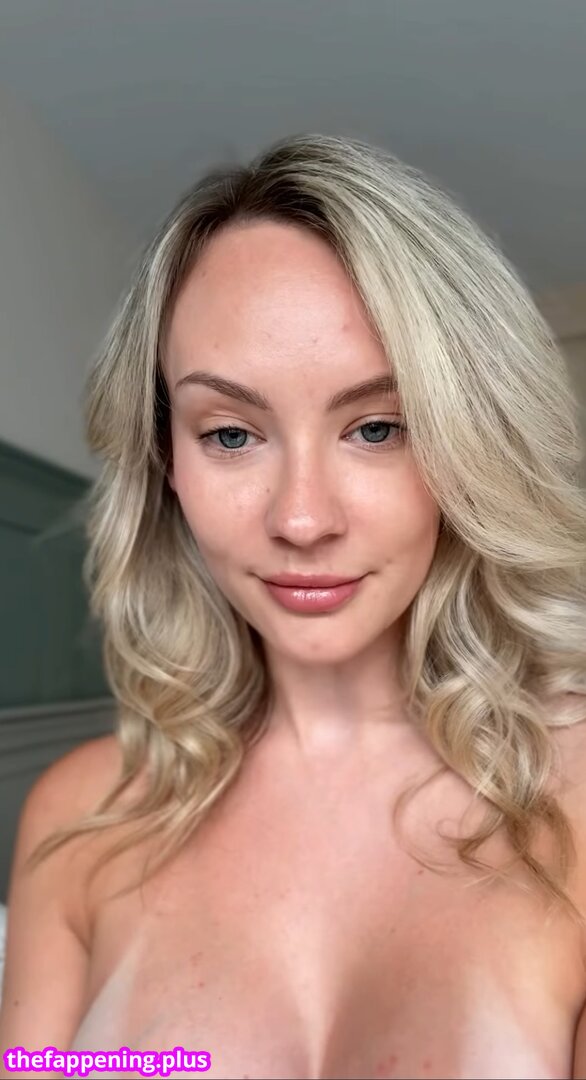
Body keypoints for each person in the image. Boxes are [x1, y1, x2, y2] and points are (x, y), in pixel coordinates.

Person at [1, 132, 586, 1080]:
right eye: (232, 434)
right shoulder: (79, 820)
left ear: (470, 445)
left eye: (377, 427)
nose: (302, 518)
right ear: (167, 461)